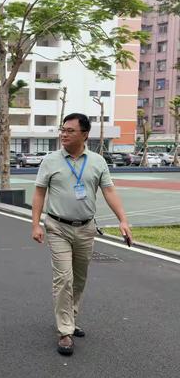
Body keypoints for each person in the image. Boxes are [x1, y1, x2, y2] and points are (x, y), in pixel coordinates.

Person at [31, 113, 132, 356]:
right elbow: (39, 193)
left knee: (79, 279)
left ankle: (70, 318)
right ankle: (65, 331)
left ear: (84, 134)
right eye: (62, 130)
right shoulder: (51, 160)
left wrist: (123, 220)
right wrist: (35, 224)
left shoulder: (97, 162)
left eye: (70, 131)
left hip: (86, 228)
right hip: (57, 227)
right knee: (63, 278)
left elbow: (109, 191)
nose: (63, 134)